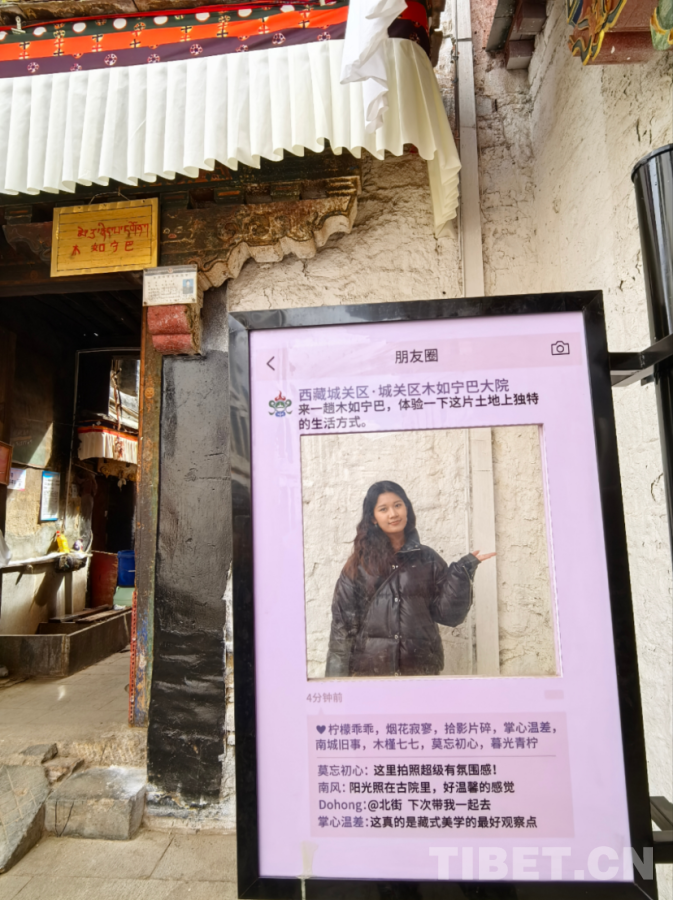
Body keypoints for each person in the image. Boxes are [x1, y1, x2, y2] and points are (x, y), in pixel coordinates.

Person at [325, 481, 495, 677]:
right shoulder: (359, 566)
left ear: (407, 508)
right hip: (372, 676)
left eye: (398, 505)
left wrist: (461, 571)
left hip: (420, 675)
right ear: (373, 518)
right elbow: (342, 630)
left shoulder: (428, 559)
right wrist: (336, 682)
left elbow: (449, 616)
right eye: (383, 509)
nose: (393, 514)